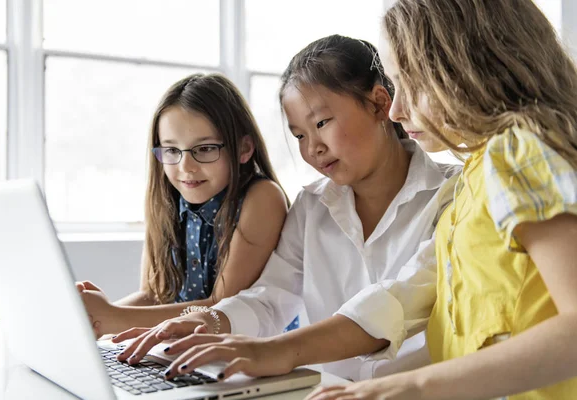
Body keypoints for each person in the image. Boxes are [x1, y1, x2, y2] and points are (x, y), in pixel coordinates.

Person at [111, 34, 457, 382]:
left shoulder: (453, 194)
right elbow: (270, 296)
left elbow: (398, 300)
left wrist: (272, 351)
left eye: (321, 123)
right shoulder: (312, 205)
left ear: (380, 104)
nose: (313, 150)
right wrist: (208, 320)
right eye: (299, 136)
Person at [303, 0, 577, 398]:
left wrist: (409, 388)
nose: (395, 110)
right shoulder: (479, 171)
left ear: (470, 67)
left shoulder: (518, 152)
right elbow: (464, 336)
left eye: (410, 84)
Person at [76, 73, 288, 339]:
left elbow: (220, 308)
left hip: (246, 354)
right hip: (181, 351)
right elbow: (153, 295)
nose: (186, 167)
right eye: (172, 151)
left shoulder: (262, 198)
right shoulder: (166, 201)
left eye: (206, 148)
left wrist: (112, 317)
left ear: (244, 148)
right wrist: (93, 320)